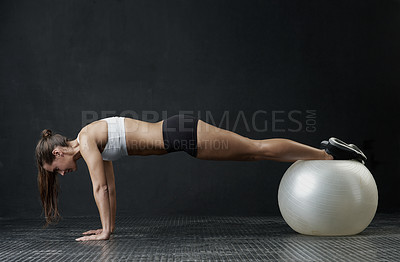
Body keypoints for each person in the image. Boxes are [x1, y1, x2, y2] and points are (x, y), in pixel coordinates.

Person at [35, 114, 367, 241]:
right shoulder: (94, 143)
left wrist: (105, 233)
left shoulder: (88, 137)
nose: (62, 174)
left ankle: (326, 154)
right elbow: (111, 188)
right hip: (182, 138)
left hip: (182, 132)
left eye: (57, 171)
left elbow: (101, 187)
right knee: (255, 151)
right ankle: (326, 152)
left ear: (57, 154)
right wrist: (109, 228)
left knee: (256, 149)